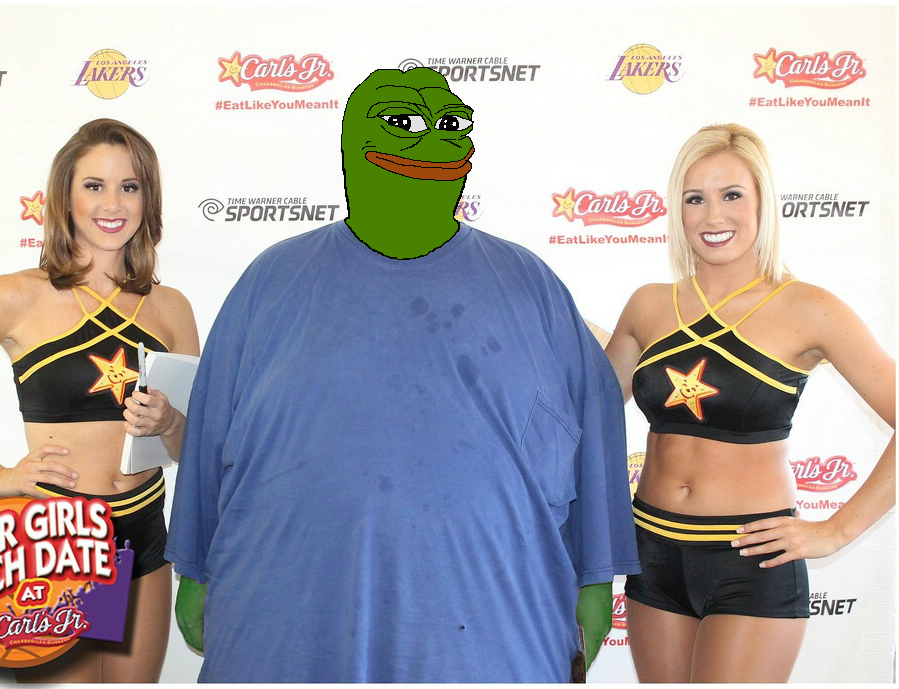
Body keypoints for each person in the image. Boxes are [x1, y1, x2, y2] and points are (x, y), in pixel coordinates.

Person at [166, 68, 639, 683]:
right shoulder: (271, 282)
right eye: (403, 123)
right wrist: (195, 569)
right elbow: (209, 434)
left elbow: (595, 430)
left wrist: (596, 577)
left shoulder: (531, 286)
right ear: (351, 146)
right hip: (285, 621)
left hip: (492, 631)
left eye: (451, 124)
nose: (436, 139)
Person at [0, 118, 200, 682]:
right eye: (94, 185)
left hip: (146, 531)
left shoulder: (171, 307)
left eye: (129, 186)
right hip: (56, 540)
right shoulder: (16, 295)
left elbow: (189, 449)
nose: (113, 203)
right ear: (65, 196)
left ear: (148, 198)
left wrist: (171, 422)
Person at [605, 123, 895, 682]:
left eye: (732, 195)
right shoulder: (647, 305)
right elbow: (584, 405)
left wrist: (837, 530)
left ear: (764, 201)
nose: (713, 216)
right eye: (695, 198)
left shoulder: (808, 308)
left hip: (752, 561)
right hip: (653, 553)